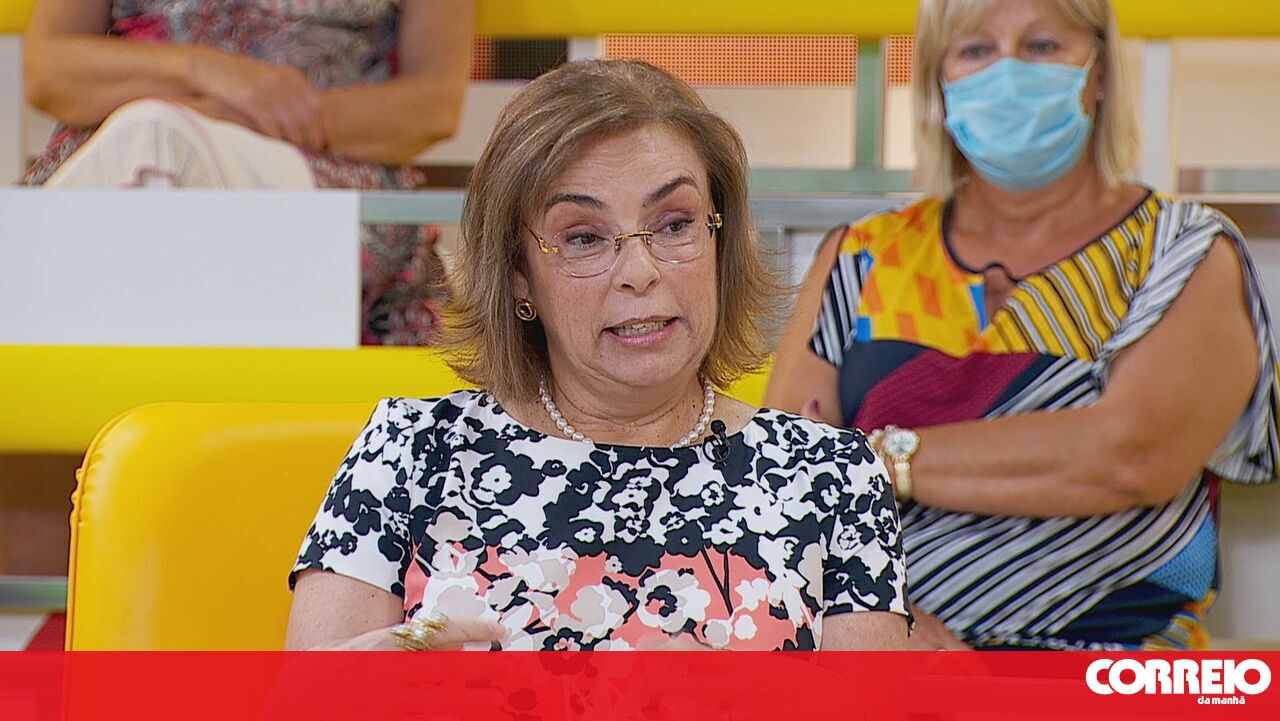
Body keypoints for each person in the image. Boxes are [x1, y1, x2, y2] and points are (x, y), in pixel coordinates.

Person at [286, 59, 910, 651]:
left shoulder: (835, 476)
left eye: (675, 225)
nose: (639, 271)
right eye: (583, 237)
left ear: (721, 242)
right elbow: (304, 700)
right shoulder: (409, 451)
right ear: (519, 276)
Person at [767, 0, 1278, 651]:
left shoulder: (1184, 249)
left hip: (1115, 666)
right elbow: (781, 485)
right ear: (938, 82)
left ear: (1099, 74)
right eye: (975, 50)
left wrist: (877, 459)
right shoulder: (860, 257)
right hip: (883, 657)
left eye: (1041, 46)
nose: (1006, 74)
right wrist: (879, 621)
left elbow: (1130, 456)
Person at [21, 0, 473, 345]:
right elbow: (48, 71)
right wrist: (204, 70)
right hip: (115, 150)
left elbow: (433, 105)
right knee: (151, 139)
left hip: (321, 167)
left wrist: (246, 116)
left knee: (162, 145)